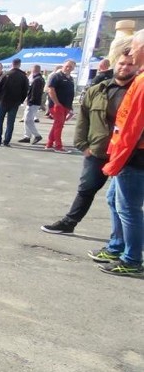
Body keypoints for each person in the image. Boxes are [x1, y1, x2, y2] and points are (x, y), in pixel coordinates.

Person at [41, 47, 137, 235]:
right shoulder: (98, 90)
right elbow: (83, 120)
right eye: (122, 63)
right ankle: (69, 222)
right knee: (86, 189)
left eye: (130, 64)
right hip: (98, 150)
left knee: (123, 201)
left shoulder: (137, 91)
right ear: (115, 64)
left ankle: (121, 244)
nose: (125, 67)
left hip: (128, 154)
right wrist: (83, 145)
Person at [92, 29, 144, 276]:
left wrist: (116, 160)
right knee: (115, 200)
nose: (132, 52)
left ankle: (132, 259)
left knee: (129, 208)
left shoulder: (142, 83)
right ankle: (117, 247)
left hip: (134, 157)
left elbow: (131, 128)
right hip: (130, 154)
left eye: (135, 47)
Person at [0, 58, 30, 146]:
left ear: (11, 64)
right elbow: (25, 90)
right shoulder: (23, 76)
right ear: (19, 65)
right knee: (10, 123)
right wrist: (20, 100)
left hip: (2, 101)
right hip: (14, 102)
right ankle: (7, 141)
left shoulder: (5, 74)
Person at [44, 59, 77, 152]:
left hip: (66, 105)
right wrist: (57, 103)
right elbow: (50, 90)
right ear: (63, 65)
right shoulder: (56, 76)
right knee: (59, 125)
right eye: (67, 65)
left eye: (71, 66)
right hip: (57, 105)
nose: (68, 68)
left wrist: (70, 108)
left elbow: (70, 93)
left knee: (57, 125)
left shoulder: (70, 78)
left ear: (73, 68)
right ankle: (58, 146)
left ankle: (49, 143)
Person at [18, 65, 45, 145]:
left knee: (27, 120)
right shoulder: (39, 79)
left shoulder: (37, 80)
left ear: (33, 70)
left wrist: (30, 101)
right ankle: (27, 136)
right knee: (29, 119)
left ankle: (37, 135)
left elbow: (34, 92)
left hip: (33, 102)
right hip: (35, 102)